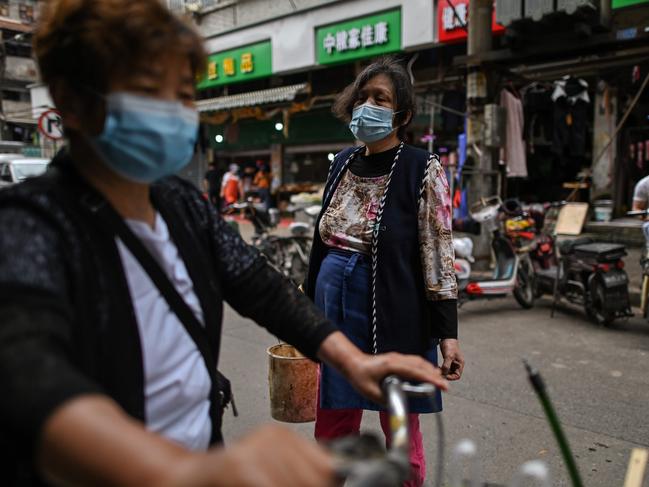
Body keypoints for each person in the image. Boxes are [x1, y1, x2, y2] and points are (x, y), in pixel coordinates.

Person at [0, 4, 450, 487]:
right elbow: (30, 377)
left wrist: (349, 357)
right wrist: (186, 473)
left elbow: (261, 286)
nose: (173, 112)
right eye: (151, 91)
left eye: (184, 94)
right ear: (72, 99)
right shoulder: (30, 226)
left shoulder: (179, 205)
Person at [305, 57, 465, 487]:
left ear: (403, 115)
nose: (367, 106)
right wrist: (304, 316)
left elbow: (437, 248)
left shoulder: (421, 167)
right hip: (332, 304)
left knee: (400, 428)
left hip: (394, 306)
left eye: (381, 99)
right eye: (363, 96)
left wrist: (447, 332)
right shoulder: (340, 162)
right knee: (333, 418)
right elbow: (321, 242)